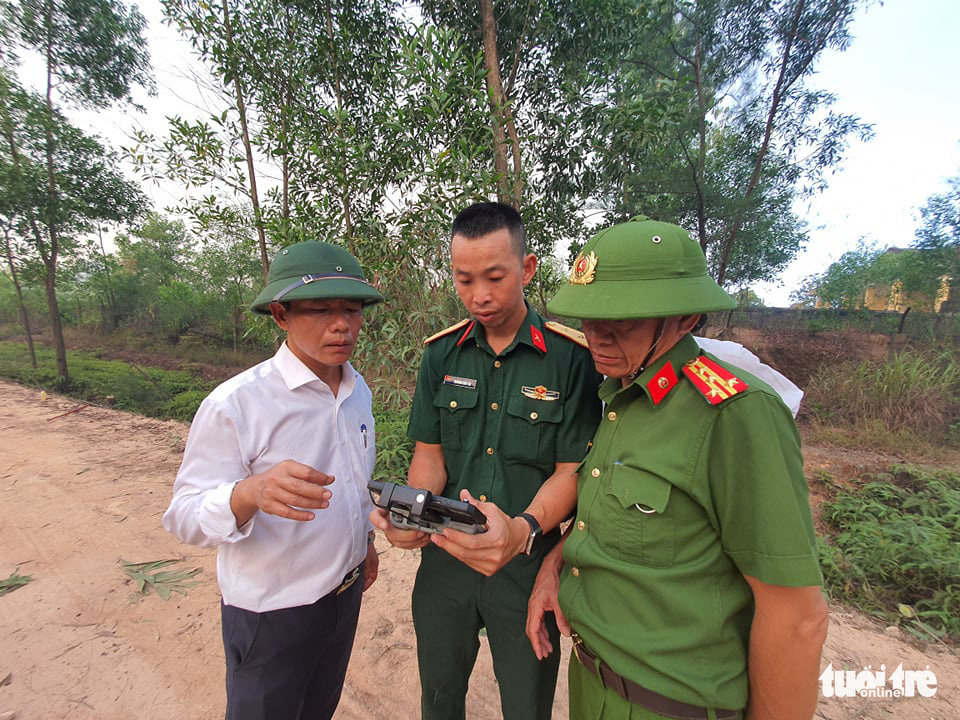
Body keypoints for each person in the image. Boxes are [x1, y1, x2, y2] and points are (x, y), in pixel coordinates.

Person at [526, 216, 828, 720]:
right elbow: (609, 517)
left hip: (667, 705)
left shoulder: (734, 414)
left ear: (685, 320)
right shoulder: (624, 392)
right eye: (588, 318)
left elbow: (797, 616)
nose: (596, 337)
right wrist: (555, 565)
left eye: (619, 321)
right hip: (592, 684)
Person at [371, 201, 602, 720]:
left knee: (526, 701)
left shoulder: (571, 360)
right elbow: (429, 457)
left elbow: (572, 473)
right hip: (446, 557)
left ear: (528, 267)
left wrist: (521, 530)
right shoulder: (442, 355)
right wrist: (410, 515)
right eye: (464, 279)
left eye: (495, 277)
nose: (479, 296)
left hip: (525, 566)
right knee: (439, 694)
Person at [162, 241, 384, 720]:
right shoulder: (237, 404)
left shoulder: (356, 389)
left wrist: (363, 540)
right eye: (320, 310)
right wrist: (249, 493)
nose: (342, 323)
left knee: (318, 707)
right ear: (281, 315)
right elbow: (183, 516)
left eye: (352, 308)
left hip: (342, 599)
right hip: (271, 613)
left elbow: (352, 480)